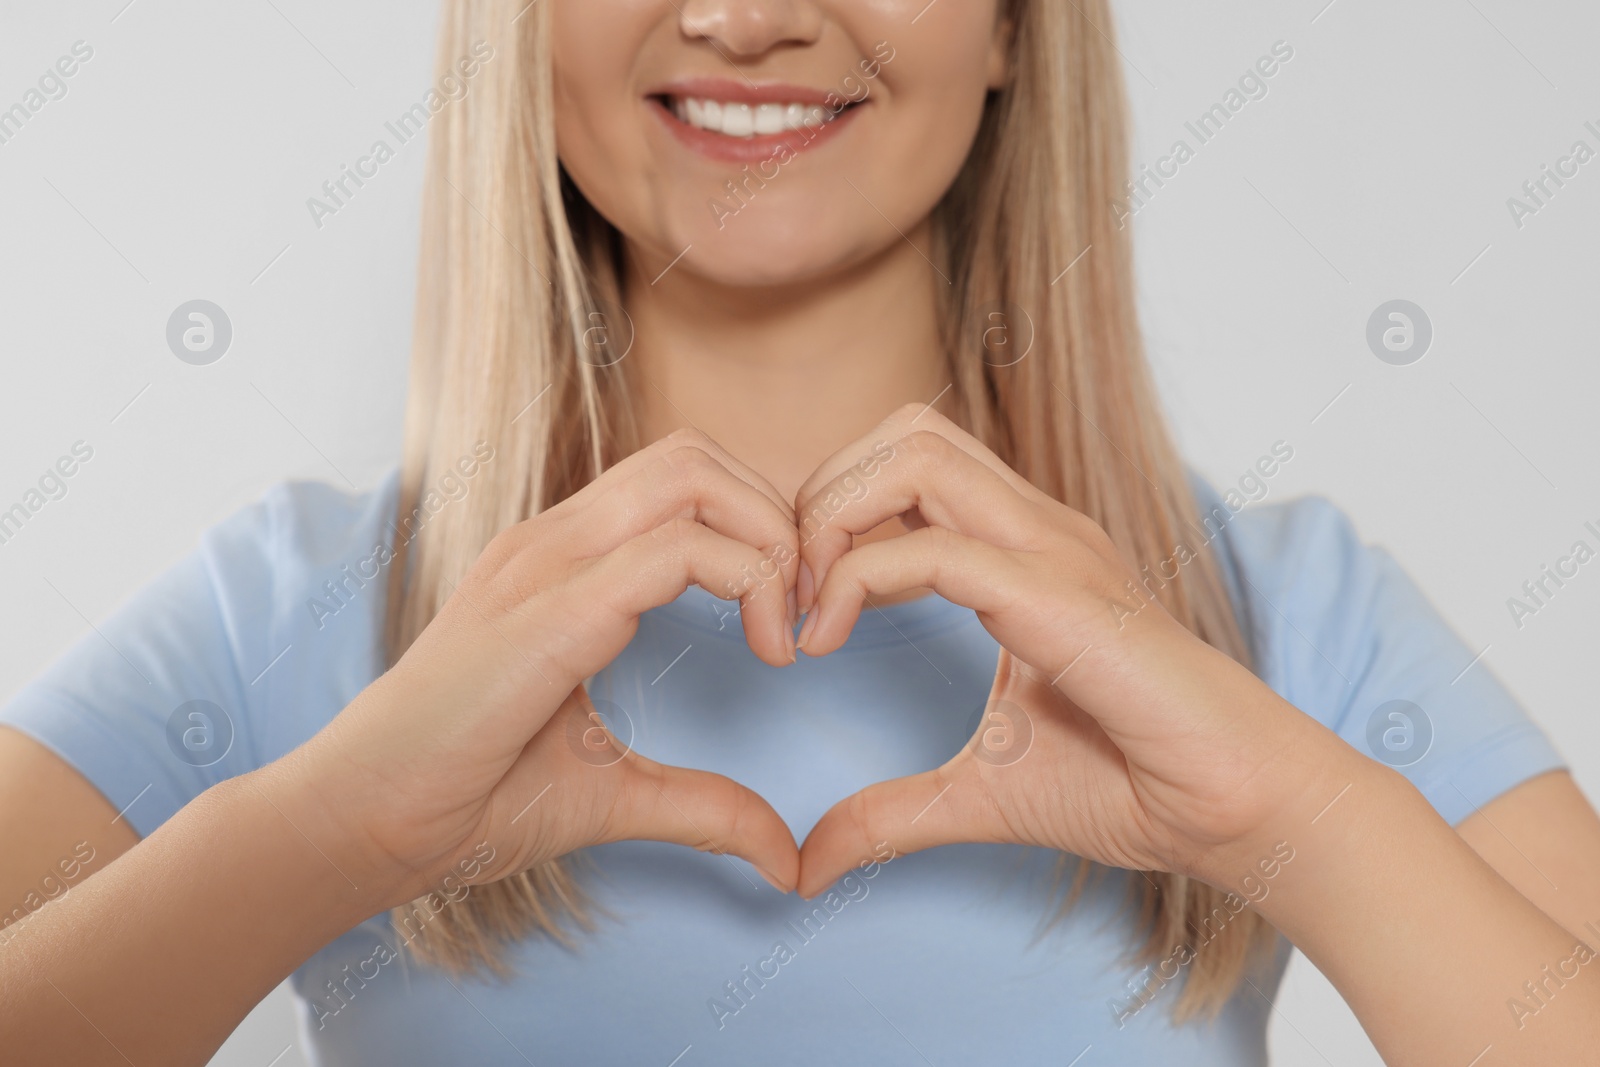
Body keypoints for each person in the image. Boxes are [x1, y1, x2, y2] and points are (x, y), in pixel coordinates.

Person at [3, 2, 1598, 1064]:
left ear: (1014, 27)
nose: (748, 13)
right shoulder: (289, 612)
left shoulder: (1284, 613)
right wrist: (322, 836)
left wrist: (1293, 824)